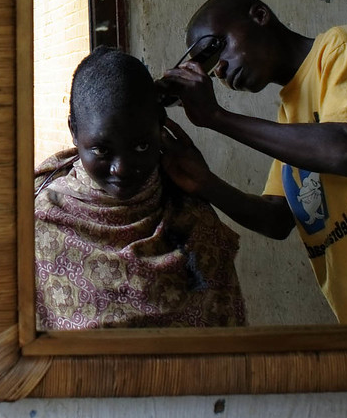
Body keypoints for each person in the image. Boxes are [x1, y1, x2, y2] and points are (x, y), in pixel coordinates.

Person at [159, 0, 347, 324]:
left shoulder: (345, 49)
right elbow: (276, 218)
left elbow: (345, 151)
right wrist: (203, 182)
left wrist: (217, 117)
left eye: (217, 47)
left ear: (259, 15)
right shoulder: (290, 114)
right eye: (211, 67)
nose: (220, 69)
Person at [32, 49, 248, 331]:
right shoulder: (42, 223)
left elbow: (224, 342)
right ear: (74, 130)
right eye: (101, 150)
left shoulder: (192, 219)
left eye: (141, 146)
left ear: (160, 126)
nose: (121, 168)